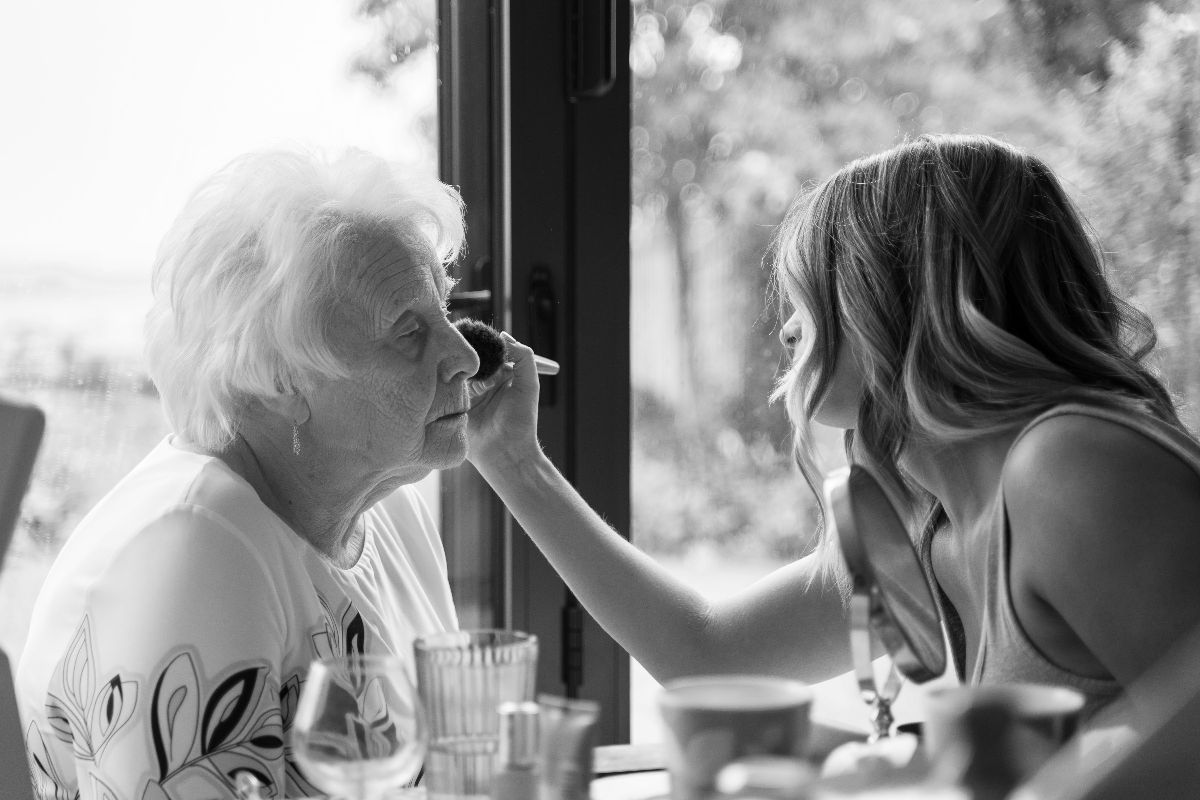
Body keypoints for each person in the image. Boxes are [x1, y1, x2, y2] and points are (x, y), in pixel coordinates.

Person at [466, 134, 1200, 729]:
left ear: (905, 292)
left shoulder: (1072, 464)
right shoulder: (919, 517)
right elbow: (710, 658)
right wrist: (512, 462)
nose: (787, 330)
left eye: (812, 291)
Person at [17, 148, 486, 799]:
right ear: (279, 379)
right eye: (409, 330)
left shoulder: (387, 508)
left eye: (446, 310)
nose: (465, 354)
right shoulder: (193, 548)